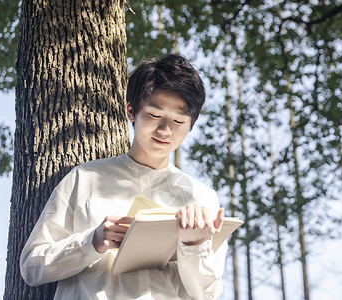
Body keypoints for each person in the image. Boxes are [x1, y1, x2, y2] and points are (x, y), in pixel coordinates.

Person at [20, 54, 228, 300]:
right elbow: (31, 267)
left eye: (178, 121)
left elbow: (207, 294)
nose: (165, 130)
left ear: (190, 123)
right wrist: (91, 242)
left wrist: (195, 246)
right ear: (132, 111)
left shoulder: (201, 198)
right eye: (154, 115)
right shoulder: (85, 178)